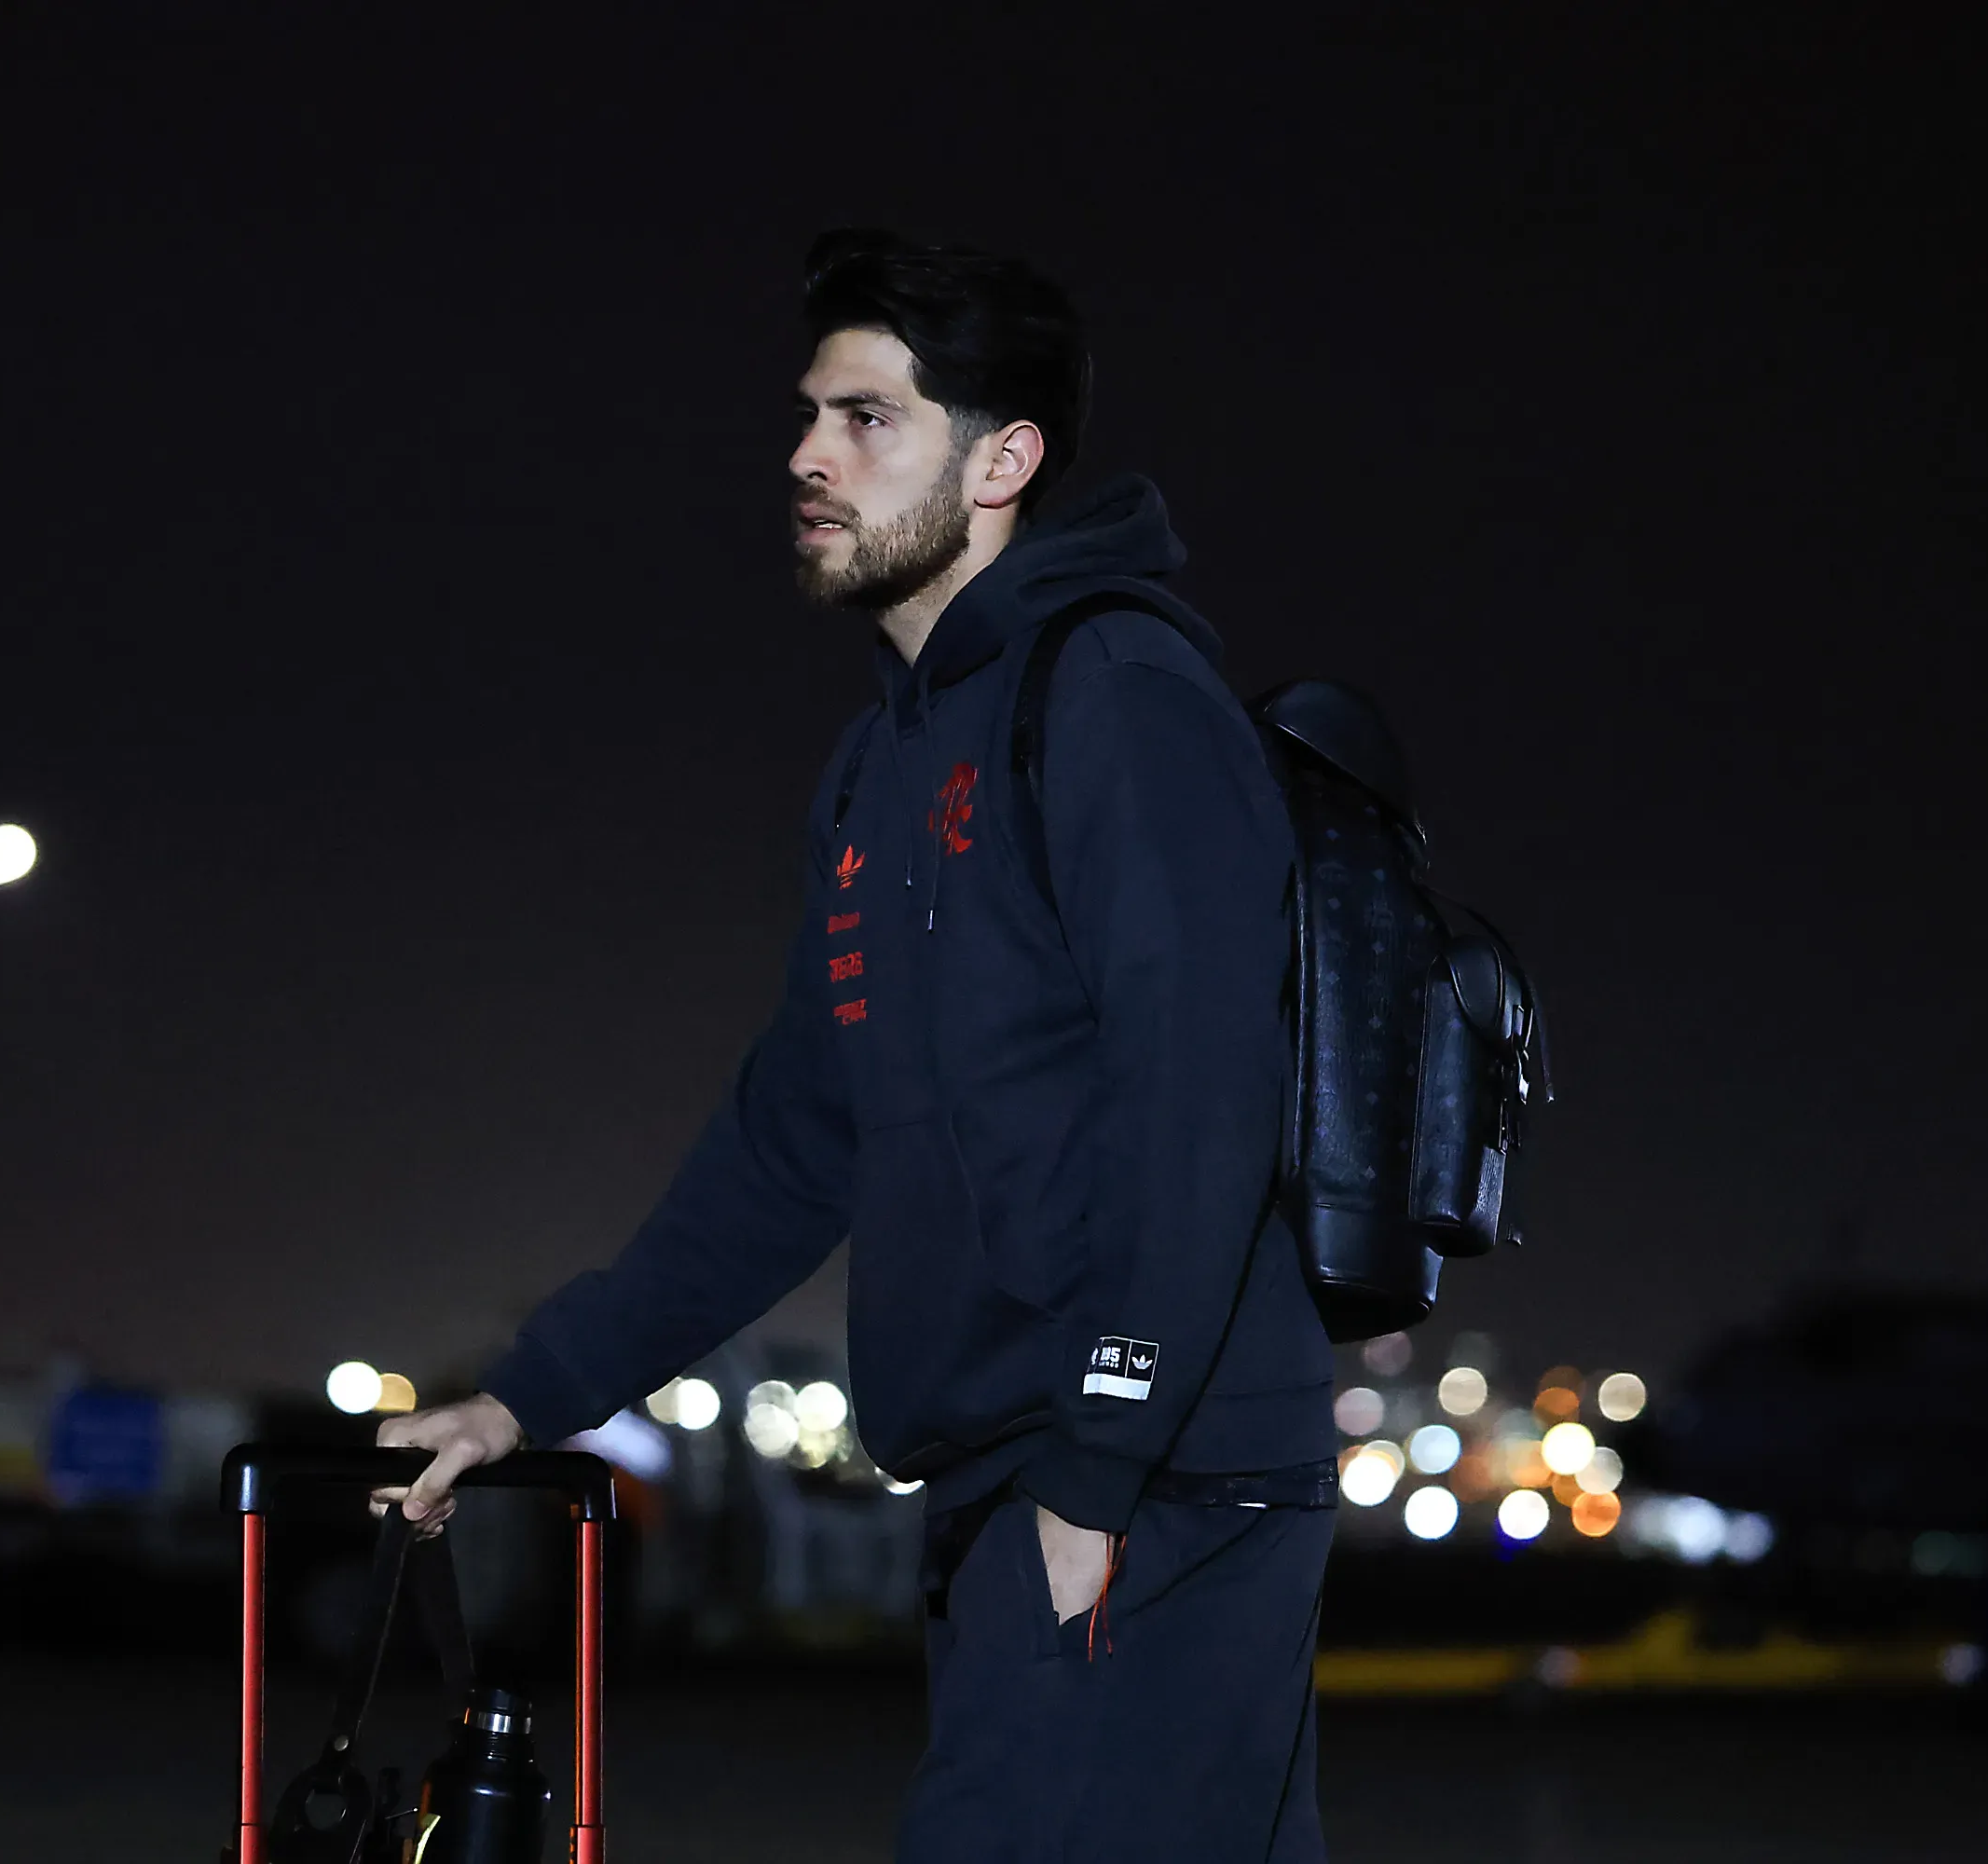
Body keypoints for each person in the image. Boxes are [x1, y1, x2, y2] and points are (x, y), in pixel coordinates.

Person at [377, 228, 1337, 1860]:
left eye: (868, 418)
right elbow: (796, 1138)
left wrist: (1101, 1467)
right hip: (1005, 1484)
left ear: (1002, 460)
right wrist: (532, 1396)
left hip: (1154, 1483)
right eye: (811, 415)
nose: (809, 455)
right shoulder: (876, 774)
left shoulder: (1116, 691)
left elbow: (1204, 1099)